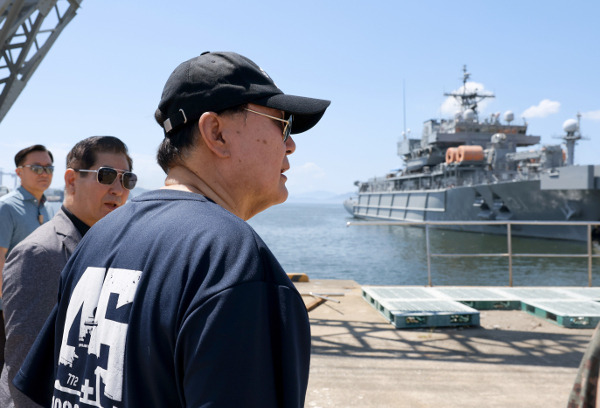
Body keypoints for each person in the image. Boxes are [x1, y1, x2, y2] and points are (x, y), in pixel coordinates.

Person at [14, 51, 330, 407]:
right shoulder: (234, 262)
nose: (290, 144)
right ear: (216, 133)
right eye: (282, 124)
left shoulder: (98, 239)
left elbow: (42, 389)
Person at [0, 136, 135, 408]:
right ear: (72, 180)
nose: (118, 189)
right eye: (107, 176)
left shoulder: (113, 245)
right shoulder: (39, 254)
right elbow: (25, 370)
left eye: (127, 179)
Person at [0, 144, 54, 368]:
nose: (44, 173)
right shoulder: (6, 207)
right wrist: (7, 309)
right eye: (36, 168)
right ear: (19, 172)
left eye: (49, 168)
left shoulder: (45, 206)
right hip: (10, 311)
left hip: (35, 307)